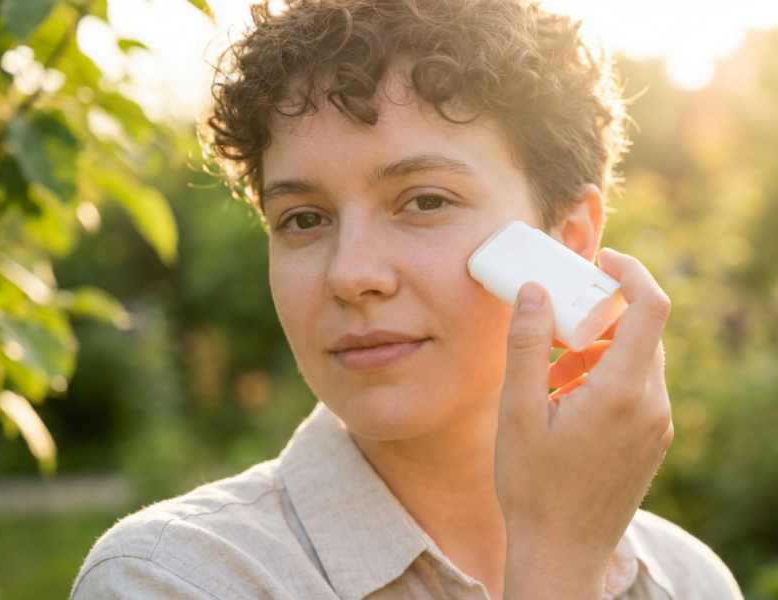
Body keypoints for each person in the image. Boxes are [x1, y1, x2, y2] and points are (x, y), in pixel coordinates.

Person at [71, 0, 743, 598]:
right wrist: (559, 568)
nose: (350, 274)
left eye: (424, 202)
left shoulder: (688, 582)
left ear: (568, 241)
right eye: (303, 219)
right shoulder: (173, 578)